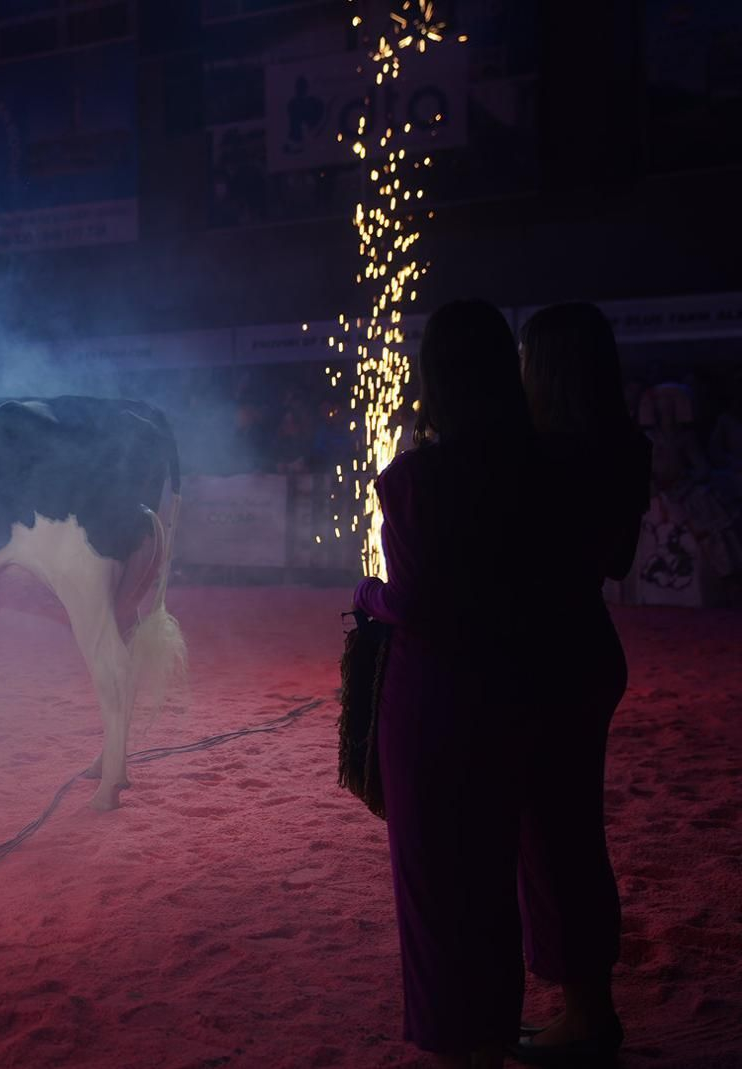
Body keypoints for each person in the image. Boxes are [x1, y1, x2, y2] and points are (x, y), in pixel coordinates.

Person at [353, 300, 538, 1069]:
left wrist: (370, 595)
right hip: (516, 687)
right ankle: (497, 1027)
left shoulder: (415, 480)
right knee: (496, 869)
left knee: (431, 875)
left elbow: (419, 603)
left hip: (434, 700)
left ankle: (457, 1043)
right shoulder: (538, 467)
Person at [511, 303, 652, 1065]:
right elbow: (619, 562)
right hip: (590, 648)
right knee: (570, 835)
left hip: (546, 659)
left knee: (554, 842)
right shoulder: (623, 449)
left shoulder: (542, 458)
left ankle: (587, 1011)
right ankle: (584, 1002)